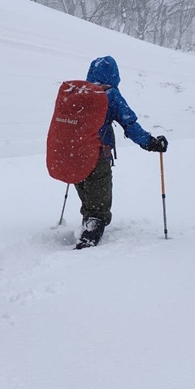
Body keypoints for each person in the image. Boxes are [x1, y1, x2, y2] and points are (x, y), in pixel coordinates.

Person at [74, 56, 168, 249]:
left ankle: (87, 225)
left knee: (88, 196)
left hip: (71, 155)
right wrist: (151, 143)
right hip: (96, 154)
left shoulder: (77, 92)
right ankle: (86, 246)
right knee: (98, 205)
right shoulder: (110, 95)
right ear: (115, 74)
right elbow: (129, 124)